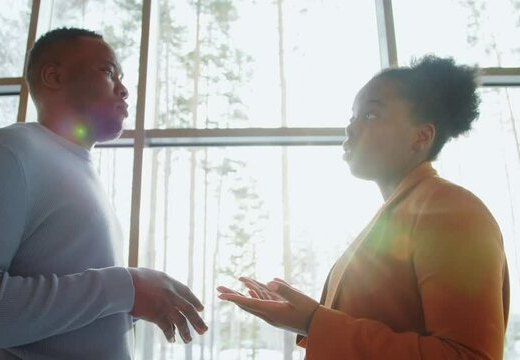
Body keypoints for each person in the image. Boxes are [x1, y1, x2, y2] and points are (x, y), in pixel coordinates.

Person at [0, 27, 207, 359]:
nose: (124, 89)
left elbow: (68, 318)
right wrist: (125, 288)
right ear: (53, 76)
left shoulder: (81, 172)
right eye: (108, 71)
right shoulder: (9, 153)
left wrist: (130, 304)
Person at [217, 55, 509, 359]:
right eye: (352, 117)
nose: (350, 129)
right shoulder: (398, 213)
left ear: (421, 136)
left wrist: (313, 321)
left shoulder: (452, 210)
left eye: (370, 115)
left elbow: (469, 355)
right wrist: (309, 318)